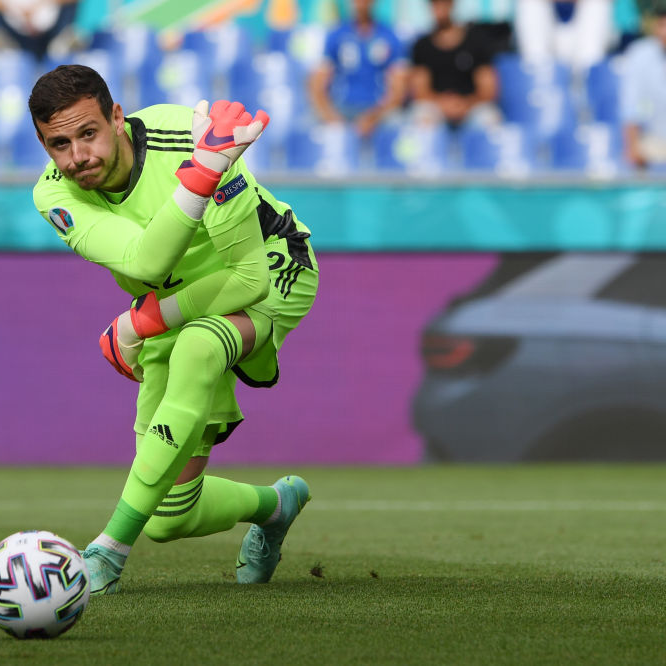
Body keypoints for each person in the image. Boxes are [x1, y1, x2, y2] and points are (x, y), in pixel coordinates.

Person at [30, 65, 319, 594]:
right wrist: (202, 175)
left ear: (117, 117)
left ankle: (108, 551)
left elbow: (249, 277)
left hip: (273, 265)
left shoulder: (189, 134)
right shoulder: (54, 195)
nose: (78, 157)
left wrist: (143, 320)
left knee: (198, 347)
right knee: (168, 516)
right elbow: (143, 263)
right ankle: (276, 505)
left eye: (88, 133)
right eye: (59, 144)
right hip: (176, 298)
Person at [307, 0, 408, 138]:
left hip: (377, 110)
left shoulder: (390, 37)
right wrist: (331, 117)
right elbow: (317, 85)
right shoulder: (336, 35)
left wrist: (374, 117)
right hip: (341, 108)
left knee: (397, 124)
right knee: (310, 126)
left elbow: (399, 89)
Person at [409, 0, 500, 128]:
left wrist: (466, 104)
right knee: (421, 118)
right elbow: (420, 91)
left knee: (488, 119)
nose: (439, 8)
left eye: (443, 3)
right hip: (436, 108)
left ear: (452, 4)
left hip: (471, 107)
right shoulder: (422, 46)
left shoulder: (476, 41)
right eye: (434, 3)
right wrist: (443, 104)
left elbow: (488, 89)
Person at [620, 5, 666, 169]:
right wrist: (632, 148)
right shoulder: (640, 54)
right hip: (653, 141)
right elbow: (633, 108)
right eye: (662, 25)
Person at [514, 0, 614, 73]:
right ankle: (538, 81)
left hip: (584, 41)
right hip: (548, 37)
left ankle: (589, 82)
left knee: (597, 4)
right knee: (530, 4)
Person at [0, 0, 79, 61]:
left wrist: (41, 6)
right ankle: (2, 47)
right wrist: (16, 11)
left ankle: (64, 43)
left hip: (52, 31)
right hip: (12, 31)